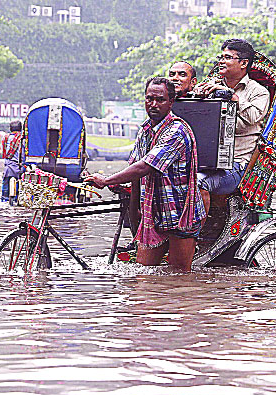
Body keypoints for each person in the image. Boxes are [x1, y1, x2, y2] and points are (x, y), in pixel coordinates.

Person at [84, 77, 206, 271]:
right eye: (149, 99)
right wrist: (114, 183)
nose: (154, 104)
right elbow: (133, 165)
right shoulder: (145, 130)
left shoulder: (177, 131)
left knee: (179, 276)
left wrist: (106, 181)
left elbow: (145, 167)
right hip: (155, 214)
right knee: (144, 275)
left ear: (171, 102)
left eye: (160, 100)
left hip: (181, 212)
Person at [193, 39, 270, 215]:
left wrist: (233, 96)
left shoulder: (258, 91)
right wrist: (197, 97)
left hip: (236, 165)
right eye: (221, 57)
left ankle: (190, 238)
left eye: (227, 57)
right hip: (206, 161)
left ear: (243, 63)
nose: (221, 61)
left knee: (197, 182)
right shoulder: (210, 87)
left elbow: (253, 117)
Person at [1, 121, 24, 202]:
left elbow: (4, 153)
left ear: (10, 129)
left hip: (8, 165)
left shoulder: (5, 138)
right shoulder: (22, 139)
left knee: (5, 183)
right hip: (19, 166)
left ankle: (4, 199)